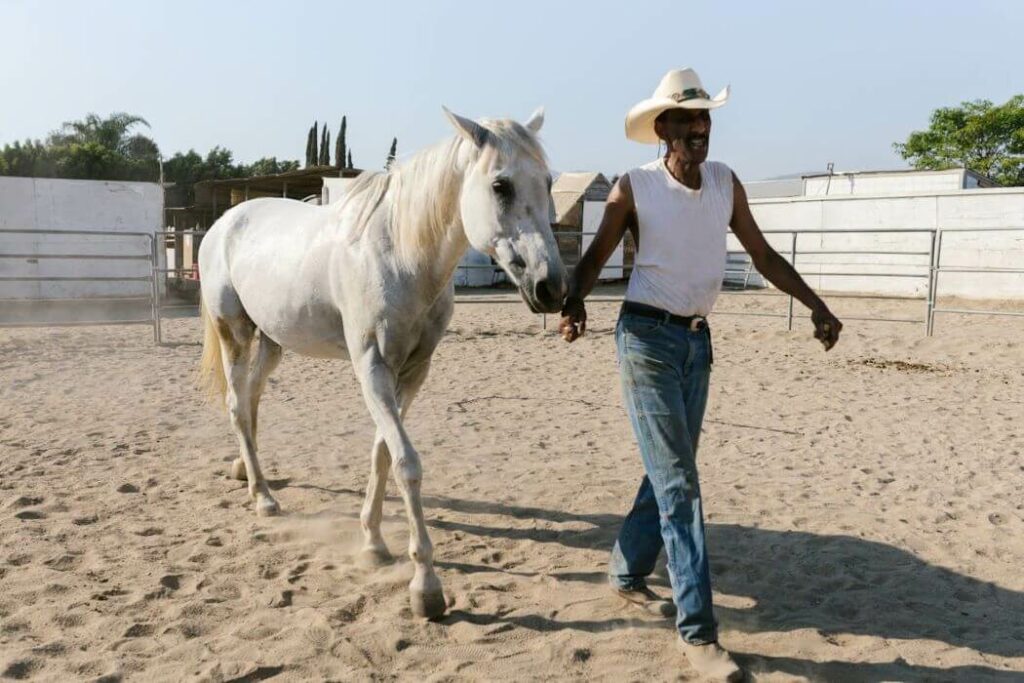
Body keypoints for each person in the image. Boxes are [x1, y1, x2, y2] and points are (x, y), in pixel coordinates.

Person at [559, 68, 842, 682]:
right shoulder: (633, 188)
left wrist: (816, 304)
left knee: (669, 470)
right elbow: (597, 255)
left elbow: (762, 255)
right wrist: (575, 301)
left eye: (704, 119)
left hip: (695, 344)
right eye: (685, 122)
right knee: (680, 482)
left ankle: (627, 572)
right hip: (645, 341)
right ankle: (699, 634)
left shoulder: (725, 183)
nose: (697, 130)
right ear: (662, 130)